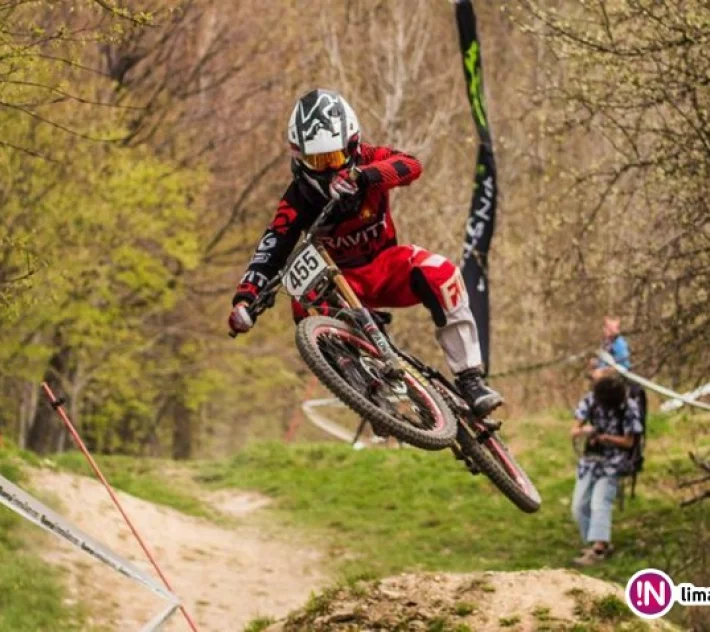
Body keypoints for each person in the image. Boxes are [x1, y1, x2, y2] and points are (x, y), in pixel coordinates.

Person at [226, 88, 502, 417]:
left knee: (442, 273)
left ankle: (471, 380)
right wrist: (245, 298)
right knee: (303, 300)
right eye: (317, 161)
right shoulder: (297, 198)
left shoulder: (370, 158)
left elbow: (411, 165)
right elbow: (271, 247)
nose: (328, 169)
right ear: (298, 157)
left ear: (353, 145)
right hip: (340, 284)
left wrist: (363, 176)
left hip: (386, 266)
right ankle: (365, 389)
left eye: (334, 158)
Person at [570, 374, 643, 566]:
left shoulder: (629, 407)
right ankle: (593, 542)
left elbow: (629, 442)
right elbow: (574, 430)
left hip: (614, 463)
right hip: (590, 461)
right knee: (579, 506)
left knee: (600, 503)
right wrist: (586, 431)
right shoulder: (590, 400)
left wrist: (607, 438)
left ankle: (599, 548)